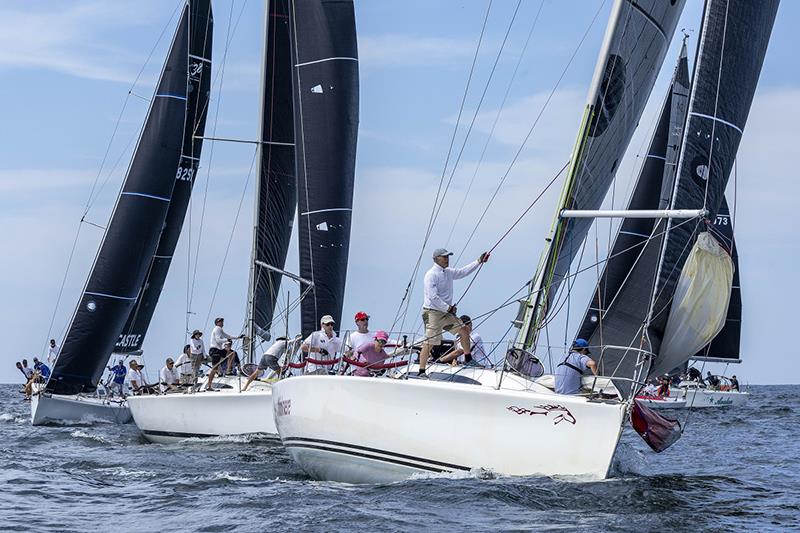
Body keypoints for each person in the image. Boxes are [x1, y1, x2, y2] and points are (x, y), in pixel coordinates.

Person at [418, 248, 490, 378]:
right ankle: (422, 371)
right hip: (432, 313)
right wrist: (448, 308)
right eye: (444, 257)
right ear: (436, 259)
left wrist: (479, 261)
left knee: (463, 330)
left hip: (446, 313)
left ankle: (468, 359)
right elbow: (432, 297)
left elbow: (463, 272)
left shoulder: (448, 272)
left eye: (448, 257)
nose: (447, 259)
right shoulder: (431, 274)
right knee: (430, 341)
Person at [206, 318, 243, 390]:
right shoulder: (217, 329)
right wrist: (227, 340)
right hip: (215, 350)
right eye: (220, 321)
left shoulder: (220, 330)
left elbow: (228, 336)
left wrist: (238, 338)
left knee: (232, 353)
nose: (222, 323)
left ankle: (228, 371)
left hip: (219, 350)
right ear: (217, 323)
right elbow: (218, 340)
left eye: (222, 321)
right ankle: (209, 386)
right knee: (214, 369)